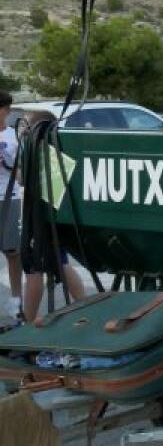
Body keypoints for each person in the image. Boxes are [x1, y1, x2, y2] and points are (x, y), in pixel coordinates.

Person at [17, 109, 86, 321]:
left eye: (24, 127)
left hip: (41, 223)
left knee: (34, 270)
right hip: (46, 221)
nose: (20, 131)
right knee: (60, 265)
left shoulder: (44, 154)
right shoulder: (54, 152)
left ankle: (29, 321)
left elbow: (24, 181)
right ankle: (86, 307)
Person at [0, 92, 21, 319]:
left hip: (9, 198)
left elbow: (22, 175)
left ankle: (17, 300)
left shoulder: (14, 136)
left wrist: (6, 162)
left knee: (12, 252)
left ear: (5, 110)